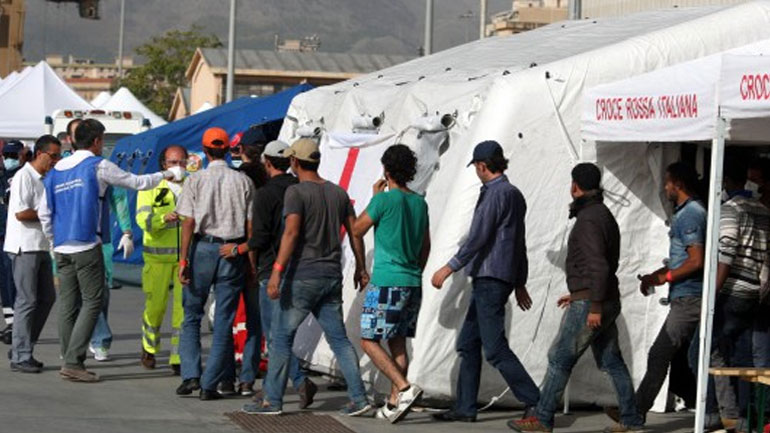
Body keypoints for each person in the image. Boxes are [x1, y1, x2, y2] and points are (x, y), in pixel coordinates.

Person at [38, 119, 182, 383]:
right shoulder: (98, 165)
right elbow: (136, 182)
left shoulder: (56, 171)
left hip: (61, 246)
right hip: (87, 243)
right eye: (102, 141)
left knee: (69, 304)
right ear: (95, 142)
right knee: (93, 302)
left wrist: (52, 241)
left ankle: (67, 355)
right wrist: (166, 175)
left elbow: (44, 212)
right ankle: (73, 361)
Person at [509, 163, 644, 433]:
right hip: (600, 297)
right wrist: (578, 293)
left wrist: (591, 304)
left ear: (575, 186)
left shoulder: (589, 219)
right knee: (611, 360)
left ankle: (542, 418)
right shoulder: (602, 214)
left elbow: (599, 266)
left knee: (560, 358)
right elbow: (597, 264)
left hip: (593, 303)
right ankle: (631, 418)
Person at [243, 138, 371, 416]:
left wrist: (276, 271)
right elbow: (355, 232)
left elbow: (291, 233)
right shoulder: (338, 192)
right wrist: (361, 268)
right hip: (331, 275)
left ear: (294, 162)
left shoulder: (297, 193)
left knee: (280, 338)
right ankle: (359, 399)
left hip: (301, 276)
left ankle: (272, 401)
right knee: (339, 340)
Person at [431, 140, 540, 423]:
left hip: (489, 277)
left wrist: (449, 267)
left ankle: (535, 401)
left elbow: (479, 236)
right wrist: (519, 280)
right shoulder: (514, 194)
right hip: (497, 277)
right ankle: (466, 407)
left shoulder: (494, 194)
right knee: (469, 343)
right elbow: (519, 241)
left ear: (481, 166)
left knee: (494, 348)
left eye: (476, 168)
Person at [604, 162, 706, 426]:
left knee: (661, 353)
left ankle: (635, 413)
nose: (665, 187)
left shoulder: (691, 215)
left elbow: (696, 261)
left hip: (689, 298)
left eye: (668, 181)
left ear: (679, 184)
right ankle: (720, 412)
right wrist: (658, 276)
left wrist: (668, 276)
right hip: (684, 296)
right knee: (701, 355)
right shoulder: (686, 212)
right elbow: (682, 258)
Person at [222, 140, 319, 404]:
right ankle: (289, 384)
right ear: (290, 162)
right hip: (300, 266)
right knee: (282, 332)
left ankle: (287, 385)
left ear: (266, 163)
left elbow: (259, 238)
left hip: (271, 270)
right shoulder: (300, 188)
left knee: (275, 333)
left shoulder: (264, 194)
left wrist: (237, 251)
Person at [348, 144, 431, 423]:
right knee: (398, 342)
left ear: (386, 170)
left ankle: (405, 389)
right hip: (411, 280)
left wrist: (361, 266)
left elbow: (356, 229)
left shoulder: (383, 201)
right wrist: (415, 269)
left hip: (387, 280)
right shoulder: (420, 202)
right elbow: (425, 246)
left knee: (369, 340)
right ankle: (394, 402)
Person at [175, 127, 255, 400]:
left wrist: (183, 259)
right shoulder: (243, 181)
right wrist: (249, 259)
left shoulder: (196, 180)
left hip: (203, 248)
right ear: (226, 150)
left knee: (192, 315)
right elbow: (249, 225)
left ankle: (191, 375)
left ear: (206, 150)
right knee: (224, 320)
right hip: (231, 249)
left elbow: (188, 222)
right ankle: (210, 384)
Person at [707, 157, 770, 433]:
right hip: (754, 292)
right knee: (744, 359)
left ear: (726, 182)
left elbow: (727, 252)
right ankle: (745, 417)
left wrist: (714, 291)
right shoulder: (763, 211)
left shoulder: (730, 209)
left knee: (709, 350)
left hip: (732, 291)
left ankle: (718, 412)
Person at [64, 118, 134, 362]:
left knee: (98, 294)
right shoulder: (62, 167)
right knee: (74, 298)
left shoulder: (102, 166)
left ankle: (97, 341)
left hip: (99, 240)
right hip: (67, 241)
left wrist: (126, 231)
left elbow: (120, 198)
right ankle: (75, 346)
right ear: (69, 139)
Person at [4, 135, 61, 373]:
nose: (56, 161)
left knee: (47, 298)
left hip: (40, 246)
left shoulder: (45, 179)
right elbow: (21, 213)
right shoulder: (23, 177)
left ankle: (23, 345)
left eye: (59, 156)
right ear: (40, 154)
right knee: (26, 300)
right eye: (53, 156)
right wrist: (50, 214)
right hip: (23, 246)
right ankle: (20, 354)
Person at [135, 145, 188, 375]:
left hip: (183, 259)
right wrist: (162, 219)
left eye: (181, 162)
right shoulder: (150, 186)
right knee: (155, 308)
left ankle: (177, 356)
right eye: (172, 162)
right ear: (163, 165)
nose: (177, 167)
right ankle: (149, 347)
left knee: (182, 310)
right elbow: (142, 218)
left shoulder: (192, 185)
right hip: (156, 258)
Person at [0, 139, 25, 343]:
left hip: (15, 235)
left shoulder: (23, 176)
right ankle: (10, 323)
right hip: (2, 234)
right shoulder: (2, 177)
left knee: (13, 280)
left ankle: (17, 325)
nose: (9, 159)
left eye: (13, 155)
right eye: (6, 155)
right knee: (4, 282)